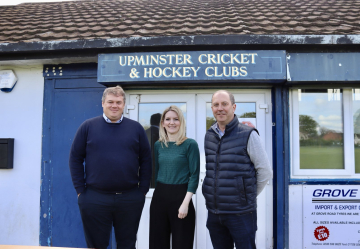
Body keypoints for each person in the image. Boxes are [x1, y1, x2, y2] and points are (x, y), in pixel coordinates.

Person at [69, 85, 152, 249]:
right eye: (111, 102)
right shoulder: (88, 127)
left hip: (129, 198)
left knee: (127, 244)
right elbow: (75, 158)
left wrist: (142, 190)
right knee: (96, 245)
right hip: (95, 198)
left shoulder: (136, 128)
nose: (115, 106)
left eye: (118, 102)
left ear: (124, 104)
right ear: (103, 103)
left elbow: (146, 160)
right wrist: (80, 190)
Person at [202, 90, 272, 249]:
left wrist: (247, 195)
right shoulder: (209, 136)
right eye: (216, 105)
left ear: (233, 107)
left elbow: (265, 171)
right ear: (212, 108)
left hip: (241, 214)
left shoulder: (248, 134)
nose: (220, 108)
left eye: (224, 104)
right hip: (215, 213)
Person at [149, 105, 200, 249]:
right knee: (157, 243)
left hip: (181, 198)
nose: (172, 122)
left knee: (182, 243)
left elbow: (194, 176)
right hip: (160, 197)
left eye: (176, 119)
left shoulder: (190, 144)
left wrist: (185, 204)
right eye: (168, 119)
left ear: (181, 122)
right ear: (163, 123)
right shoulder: (158, 145)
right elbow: (157, 173)